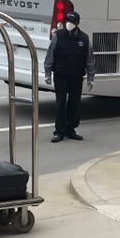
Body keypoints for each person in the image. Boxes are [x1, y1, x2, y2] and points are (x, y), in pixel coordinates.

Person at [44, 10, 95, 143]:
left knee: (74, 103)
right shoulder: (58, 36)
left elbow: (89, 59)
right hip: (61, 75)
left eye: (71, 22)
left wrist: (91, 77)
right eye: (67, 21)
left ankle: (70, 129)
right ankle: (59, 131)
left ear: (77, 23)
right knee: (61, 103)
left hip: (76, 77)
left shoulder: (84, 38)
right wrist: (47, 73)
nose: (68, 24)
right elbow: (50, 55)